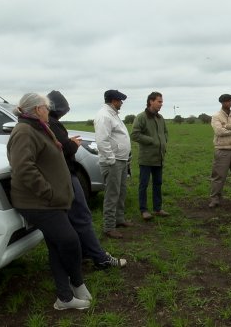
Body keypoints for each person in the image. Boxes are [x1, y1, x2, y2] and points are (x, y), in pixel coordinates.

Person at [7, 93, 91, 310]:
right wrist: (49, 193)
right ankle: (76, 282)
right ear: (37, 110)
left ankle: (64, 298)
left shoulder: (38, 127)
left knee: (56, 245)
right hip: (39, 203)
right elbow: (24, 168)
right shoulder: (24, 131)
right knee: (70, 241)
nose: (48, 110)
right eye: (46, 107)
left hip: (50, 202)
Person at [46, 90, 127, 268]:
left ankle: (81, 252)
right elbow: (63, 149)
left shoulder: (47, 124)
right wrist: (72, 144)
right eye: (64, 110)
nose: (64, 113)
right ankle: (99, 256)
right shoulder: (51, 124)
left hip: (63, 175)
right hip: (66, 175)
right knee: (82, 215)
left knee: (74, 217)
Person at [94, 89, 133, 239]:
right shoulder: (104, 116)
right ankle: (109, 226)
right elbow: (102, 140)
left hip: (121, 160)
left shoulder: (113, 114)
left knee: (121, 191)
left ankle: (119, 219)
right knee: (112, 194)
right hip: (113, 162)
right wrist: (111, 159)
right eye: (120, 100)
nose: (121, 103)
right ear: (113, 101)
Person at [131, 92, 169, 220]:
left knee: (158, 183)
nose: (161, 104)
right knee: (144, 184)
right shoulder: (141, 117)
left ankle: (158, 209)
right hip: (146, 158)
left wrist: (163, 142)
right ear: (151, 101)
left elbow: (165, 133)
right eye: (159, 101)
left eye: (162, 102)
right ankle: (144, 210)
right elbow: (135, 135)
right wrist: (152, 140)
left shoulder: (160, 118)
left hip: (159, 157)